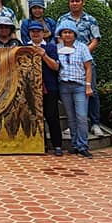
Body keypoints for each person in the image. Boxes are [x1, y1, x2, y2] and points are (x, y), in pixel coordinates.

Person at [57, 0, 108, 138]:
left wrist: (82, 53)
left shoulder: (90, 20)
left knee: (91, 91)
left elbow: (95, 39)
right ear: (69, 3)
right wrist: (69, 53)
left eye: (77, 1)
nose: (74, 3)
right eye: (72, 1)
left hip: (86, 61)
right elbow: (59, 39)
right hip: (68, 63)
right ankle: (73, 125)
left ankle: (95, 123)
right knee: (69, 94)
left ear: (83, 2)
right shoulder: (63, 19)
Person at [54, 22, 95, 158]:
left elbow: (88, 67)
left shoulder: (82, 48)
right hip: (64, 86)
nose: (67, 35)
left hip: (80, 85)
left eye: (70, 32)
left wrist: (88, 85)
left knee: (82, 116)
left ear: (74, 34)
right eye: (64, 32)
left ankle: (83, 145)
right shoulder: (57, 48)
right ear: (60, 35)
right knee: (71, 117)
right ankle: (75, 143)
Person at [29, 21, 63, 155]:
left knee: (52, 116)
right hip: (31, 89)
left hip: (49, 87)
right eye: (33, 31)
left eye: (38, 31)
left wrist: (44, 55)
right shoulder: (24, 47)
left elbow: (55, 67)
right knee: (34, 117)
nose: (35, 34)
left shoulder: (51, 48)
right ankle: (39, 144)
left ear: (43, 33)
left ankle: (57, 145)